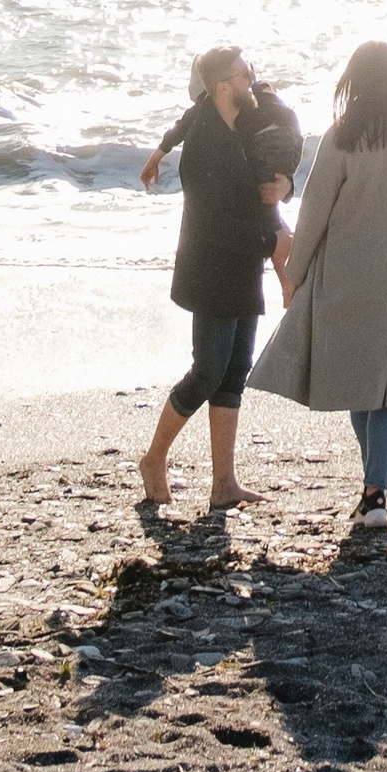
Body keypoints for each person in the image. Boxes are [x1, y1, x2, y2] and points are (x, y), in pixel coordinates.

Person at [247, 39, 387, 522]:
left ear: (353, 82)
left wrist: (294, 274)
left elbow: (314, 213)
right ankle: (375, 488)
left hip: (352, 272)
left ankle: (373, 490)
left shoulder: (342, 136)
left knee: (362, 378)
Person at [135, 46, 303, 514]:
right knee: (207, 371)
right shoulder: (204, 147)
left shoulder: (245, 118)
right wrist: (271, 243)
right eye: (242, 72)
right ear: (221, 87)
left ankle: (224, 484)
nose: (252, 76)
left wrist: (286, 185)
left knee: (233, 375)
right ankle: (153, 459)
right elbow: (211, 226)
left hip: (244, 263)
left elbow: (281, 152)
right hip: (210, 269)